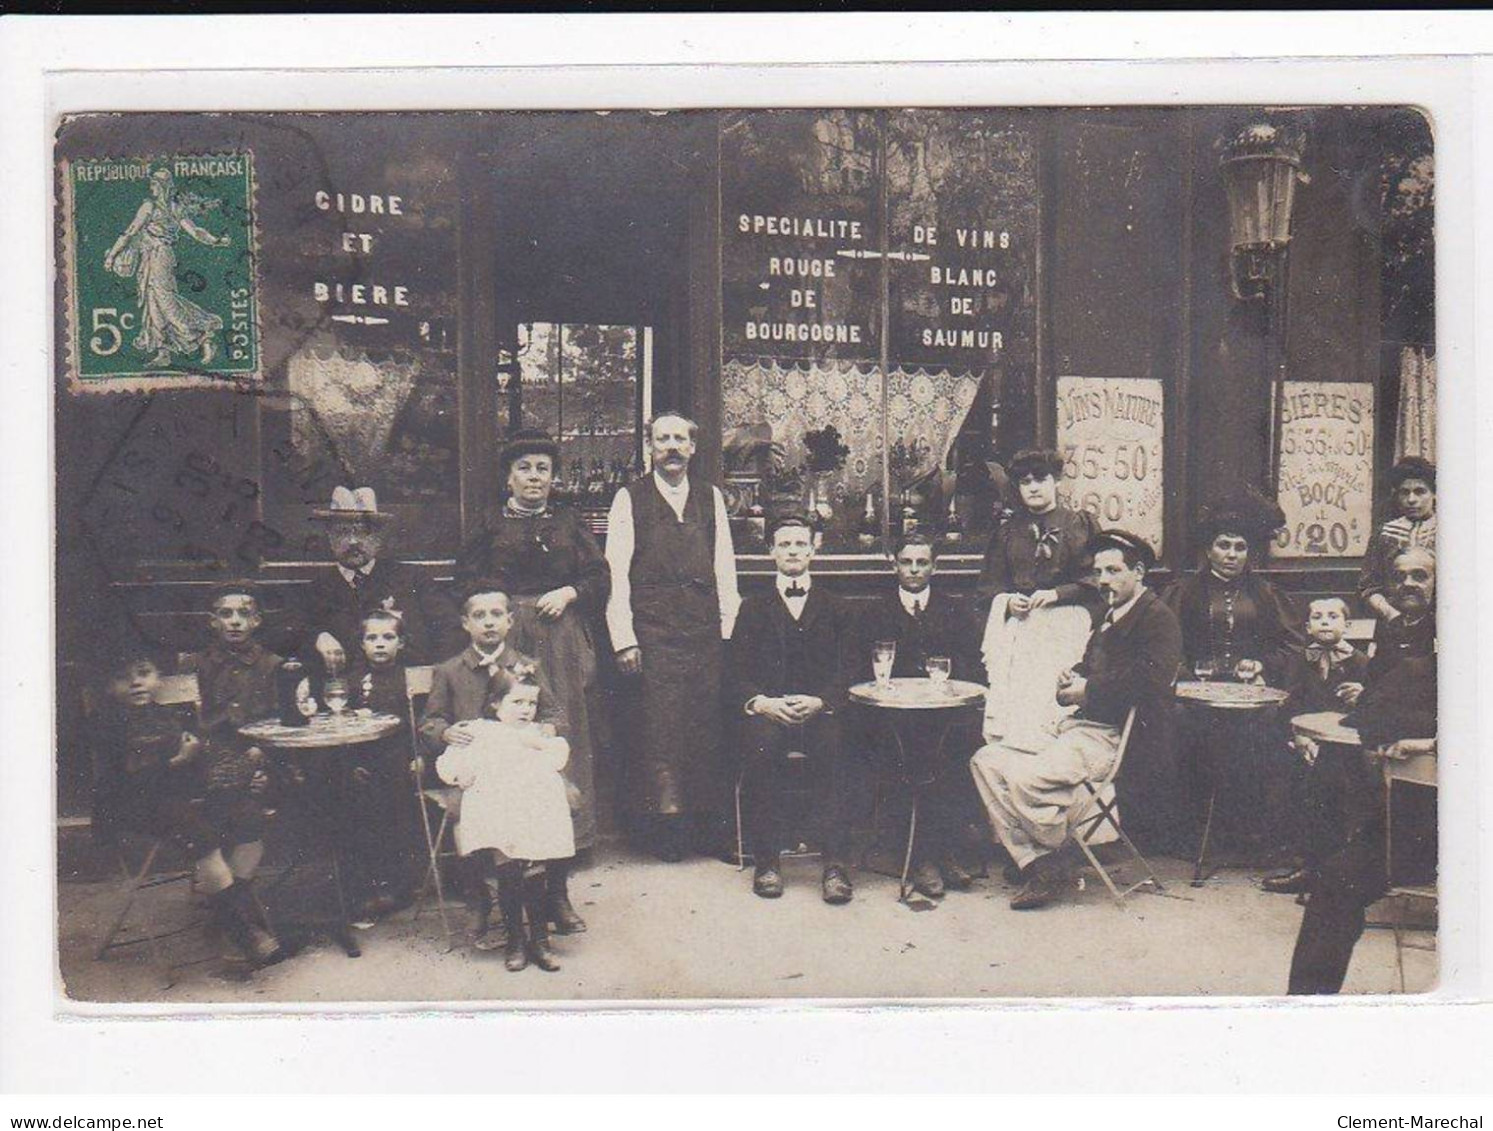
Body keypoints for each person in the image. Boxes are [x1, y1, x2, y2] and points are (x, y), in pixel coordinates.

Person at [970, 531, 1182, 909]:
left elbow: (1151, 682)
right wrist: (1071, 678)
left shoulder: (1157, 619)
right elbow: (1091, 667)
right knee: (987, 761)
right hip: (1077, 729)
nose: (1104, 580)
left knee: (1026, 779)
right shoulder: (1108, 615)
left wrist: (1089, 690)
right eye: (1099, 571)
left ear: (1138, 572)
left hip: (1115, 737)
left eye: (1114, 570)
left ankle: (1051, 859)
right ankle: (1038, 861)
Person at [455, 429, 609, 932]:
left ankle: (558, 891)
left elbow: (600, 577)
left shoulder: (568, 523)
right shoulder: (489, 524)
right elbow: (466, 582)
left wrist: (568, 591)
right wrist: (498, 608)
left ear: (554, 476)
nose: (534, 478)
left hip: (558, 642)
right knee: (506, 751)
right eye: (524, 468)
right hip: (504, 640)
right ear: (509, 476)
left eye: (543, 468)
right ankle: (510, 890)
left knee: (556, 742)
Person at [1287, 547, 1437, 994]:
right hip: (1403, 811)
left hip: (1461, 818)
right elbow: (1369, 711)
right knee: (1334, 883)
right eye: (1401, 577)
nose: (1410, 584)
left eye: (1421, 577)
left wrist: (1432, 743)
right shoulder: (1396, 634)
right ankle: (1306, 1011)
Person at [90, 646, 283, 967]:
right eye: (123, 678)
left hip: (177, 797)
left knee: (250, 819)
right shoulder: (107, 723)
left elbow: (199, 762)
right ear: (109, 687)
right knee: (200, 834)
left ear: (158, 677)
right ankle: (244, 932)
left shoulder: (166, 714)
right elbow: (129, 779)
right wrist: (178, 760)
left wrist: (237, 774)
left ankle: (225, 908)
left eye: (143, 673)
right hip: (133, 804)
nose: (136, 683)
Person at [605, 412, 741, 862]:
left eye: (680, 439)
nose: (672, 447)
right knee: (660, 730)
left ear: (694, 447)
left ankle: (708, 827)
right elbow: (616, 575)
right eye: (662, 439)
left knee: (705, 726)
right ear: (650, 447)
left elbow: (725, 567)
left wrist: (728, 629)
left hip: (704, 631)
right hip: (654, 632)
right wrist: (624, 637)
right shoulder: (630, 499)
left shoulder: (710, 498)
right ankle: (668, 829)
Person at [419, 578, 564, 947]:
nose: (488, 622)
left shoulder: (526, 665)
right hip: (475, 772)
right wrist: (446, 733)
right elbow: (430, 721)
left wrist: (543, 731)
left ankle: (554, 896)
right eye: (479, 615)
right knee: (463, 811)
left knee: (554, 798)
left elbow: (554, 714)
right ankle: (479, 897)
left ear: (511, 621)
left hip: (522, 768)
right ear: (465, 623)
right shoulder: (450, 670)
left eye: (496, 614)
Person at [1164, 490, 1303, 854]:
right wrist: (1184, 676)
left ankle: (1248, 834)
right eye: (1223, 545)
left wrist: (1263, 665)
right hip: (1195, 696)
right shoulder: (1184, 592)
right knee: (1184, 727)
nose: (1231, 555)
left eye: (1240, 547)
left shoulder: (1266, 594)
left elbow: (1292, 646)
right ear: (1208, 550)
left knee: (1265, 729)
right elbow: (1163, 644)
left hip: (1250, 696)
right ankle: (1193, 835)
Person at [729, 514, 855, 905]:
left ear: (814, 548)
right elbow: (734, 671)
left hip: (821, 712)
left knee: (837, 748)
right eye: (784, 544)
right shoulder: (752, 608)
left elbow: (851, 667)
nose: (793, 551)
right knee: (761, 748)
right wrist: (762, 702)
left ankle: (835, 864)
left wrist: (822, 700)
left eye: (800, 543)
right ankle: (767, 860)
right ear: (771, 552)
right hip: (771, 713)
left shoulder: (835, 607)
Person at [859, 531, 984, 897]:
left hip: (944, 716)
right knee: (910, 753)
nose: (914, 570)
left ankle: (941, 851)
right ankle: (922, 858)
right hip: (890, 720)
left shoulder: (954, 609)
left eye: (922, 563)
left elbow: (972, 667)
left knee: (951, 752)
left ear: (935, 565)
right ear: (893, 564)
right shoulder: (874, 611)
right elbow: (858, 670)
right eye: (907, 562)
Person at [437, 669, 575, 972]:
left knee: (536, 870)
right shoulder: (479, 731)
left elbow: (558, 757)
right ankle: (515, 939)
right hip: (498, 815)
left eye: (531, 703)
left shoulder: (538, 734)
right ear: (496, 705)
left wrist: (539, 743)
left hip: (534, 815)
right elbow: (447, 763)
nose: (526, 710)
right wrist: (460, 774)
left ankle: (540, 940)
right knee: (509, 870)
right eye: (518, 702)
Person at [188, 581, 287, 965]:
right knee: (238, 803)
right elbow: (187, 724)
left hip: (262, 750)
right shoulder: (197, 665)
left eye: (243, 614)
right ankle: (243, 919)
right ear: (213, 621)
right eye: (225, 614)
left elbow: (281, 720)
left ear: (257, 620)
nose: (234, 621)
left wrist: (261, 753)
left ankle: (225, 904)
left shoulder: (273, 665)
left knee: (262, 795)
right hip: (209, 757)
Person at [1265, 598, 1372, 896]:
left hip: (1345, 747)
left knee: (1334, 790)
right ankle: (1303, 864)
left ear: (1346, 625)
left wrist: (1361, 696)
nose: (1325, 621)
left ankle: (1332, 873)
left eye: (1333, 616)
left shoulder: (1360, 662)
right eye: (1317, 617)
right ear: (1308, 626)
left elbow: (1368, 711)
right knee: (1284, 780)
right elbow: (1290, 702)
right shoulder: (1300, 660)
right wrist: (1299, 737)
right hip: (1304, 741)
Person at [289, 486, 433, 676]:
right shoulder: (315, 589)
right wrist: (317, 637)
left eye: (362, 532)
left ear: (378, 539)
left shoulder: (411, 579)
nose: (353, 541)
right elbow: (288, 634)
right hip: (340, 693)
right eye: (343, 532)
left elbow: (448, 633)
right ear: (330, 538)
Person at [102, 167, 230, 368]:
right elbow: (196, 231)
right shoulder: (172, 207)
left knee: (165, 300)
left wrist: (111, 255)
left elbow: (130, 232)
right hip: (152, 257)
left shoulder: (151, 207)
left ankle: (204, 335)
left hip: (159, 257)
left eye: (155, 183)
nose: (151, 186)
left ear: (162, 186)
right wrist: (216, 240)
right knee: (153, 303)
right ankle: (164, 352)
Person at [342, 609, 419, 924]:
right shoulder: (353, 681)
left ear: (401, 643)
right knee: (361, 817)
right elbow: (342, 725)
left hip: (400, 760)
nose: (380, 644)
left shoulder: (409, 679)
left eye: (388, 637)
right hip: (364, 762)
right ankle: (366, 886)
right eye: (371, 638)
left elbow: (419, 724)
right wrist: (351, 762)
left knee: (398, 818)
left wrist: (419, 755)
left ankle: (397, 886)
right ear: (361, 644)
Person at [976, 448, 1100, 614]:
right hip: (1021, 623)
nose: (1033, 488)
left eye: (1041, 480)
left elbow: (1098, 578)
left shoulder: (1078, 525)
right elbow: (988, 588)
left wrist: (1058, 594)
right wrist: (1008, 602)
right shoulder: (1007, 533)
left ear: (1057, 481)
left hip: (1069, 620)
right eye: (1025, 482)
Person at [1358, 456, 1436, 624]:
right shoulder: (1385, 534)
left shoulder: (1448, 533)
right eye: (1404, 492)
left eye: (1420, 491)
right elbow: (1367, 586)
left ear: (1434, 494)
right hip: (1392, 621)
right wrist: (1390, 613)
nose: (1411, 499)